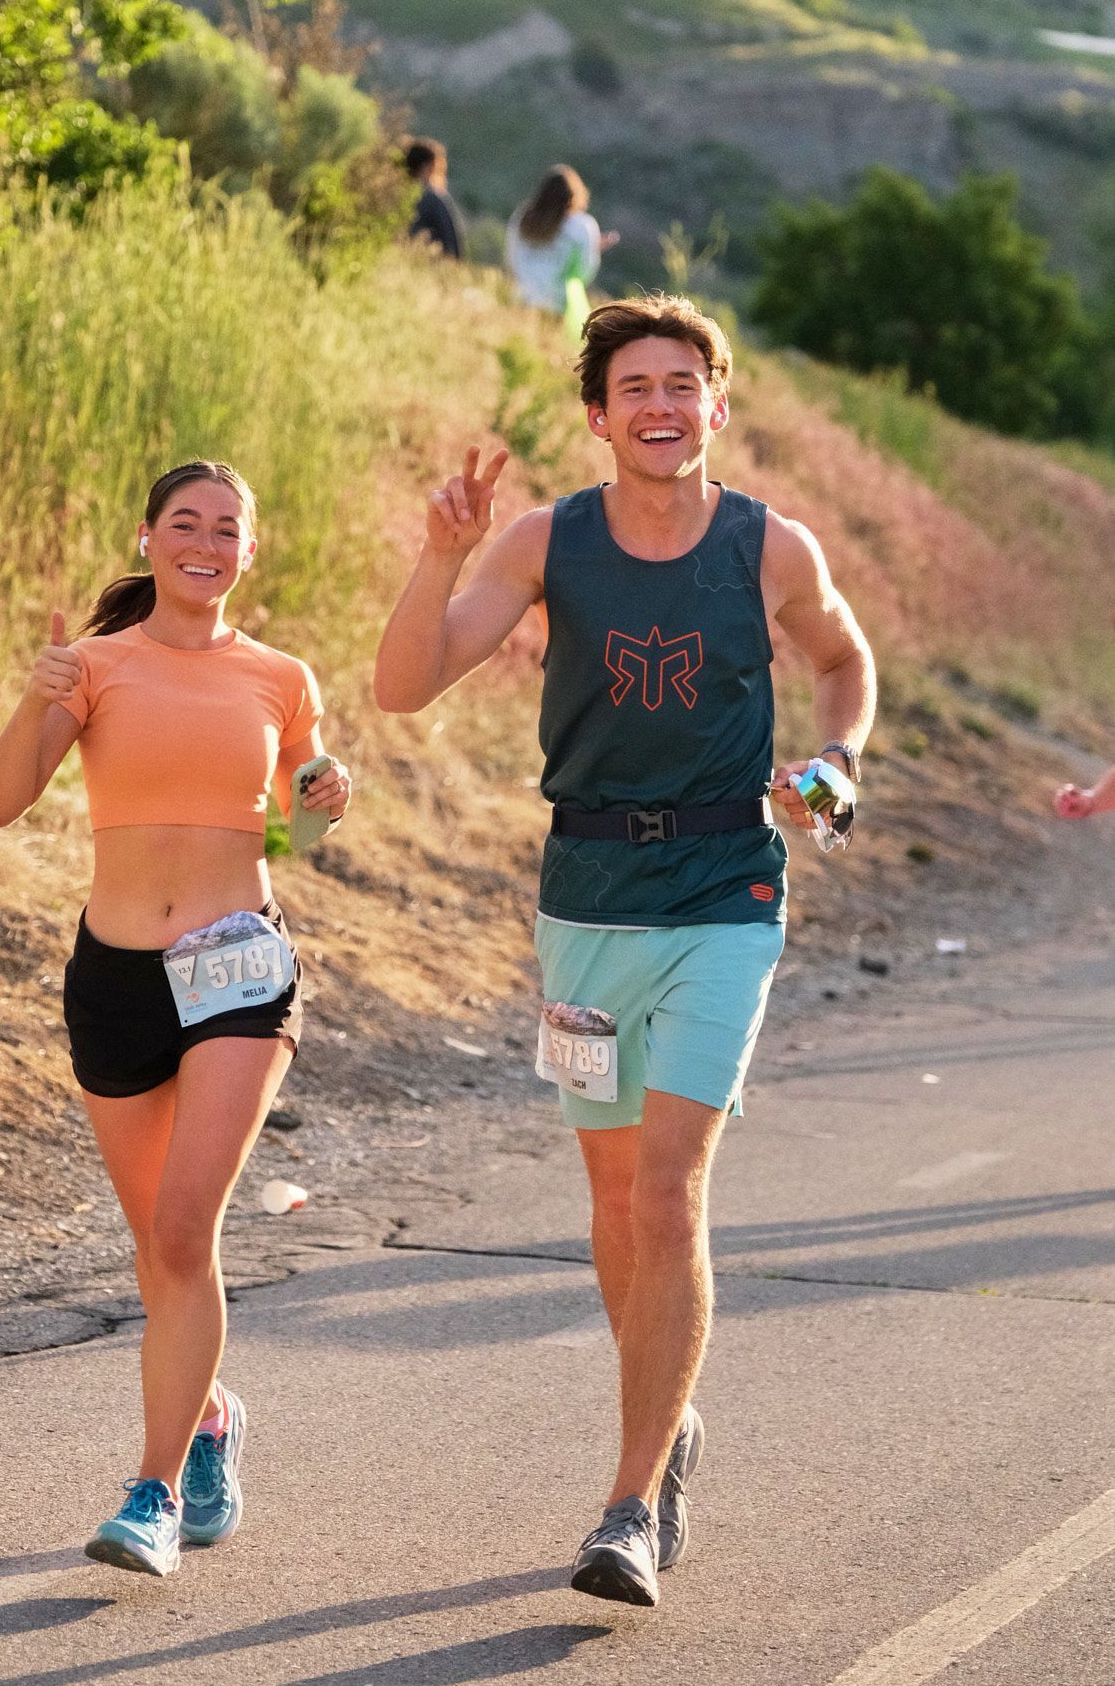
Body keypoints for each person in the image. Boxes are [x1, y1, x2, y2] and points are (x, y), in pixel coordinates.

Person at [374, 294, 875, 1608]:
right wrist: (441, 554)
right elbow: (402, 684)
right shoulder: (547, 541)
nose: (660, 407)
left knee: (665, 1193)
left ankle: (631, 1499)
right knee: (607, 1205)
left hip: (726, 888)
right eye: (633, 388)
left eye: (682, 384)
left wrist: (834, 758)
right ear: (598, 417)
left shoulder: (771, 548)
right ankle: (674, 1420)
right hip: (586, 898)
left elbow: (843, 662)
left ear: (718, 404)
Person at [0, 460, 351, 1577]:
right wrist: (41, 696)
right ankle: (211, 1415)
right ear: (147, 540)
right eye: (184, 522)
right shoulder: (93, 665)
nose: (205, 540)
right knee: (157, 1250)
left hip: (238, 966)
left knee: (187, 1231)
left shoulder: (283, 677)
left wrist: (321, 801)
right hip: (116, 977)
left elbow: (294, 835)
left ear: (250, 550)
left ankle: (152, 1490)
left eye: (226, 526)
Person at [505, 164, 618, 322]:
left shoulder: (523, 216)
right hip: (557, 308)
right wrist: (594, 248)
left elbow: (511, 255)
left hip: (520, 301)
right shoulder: (582, 226)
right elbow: (585, 271)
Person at [405, 136, 466, 260]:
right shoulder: (433, 200)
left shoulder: (393, 197)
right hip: (431, 269)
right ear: (428, 167)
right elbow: (452, 244)